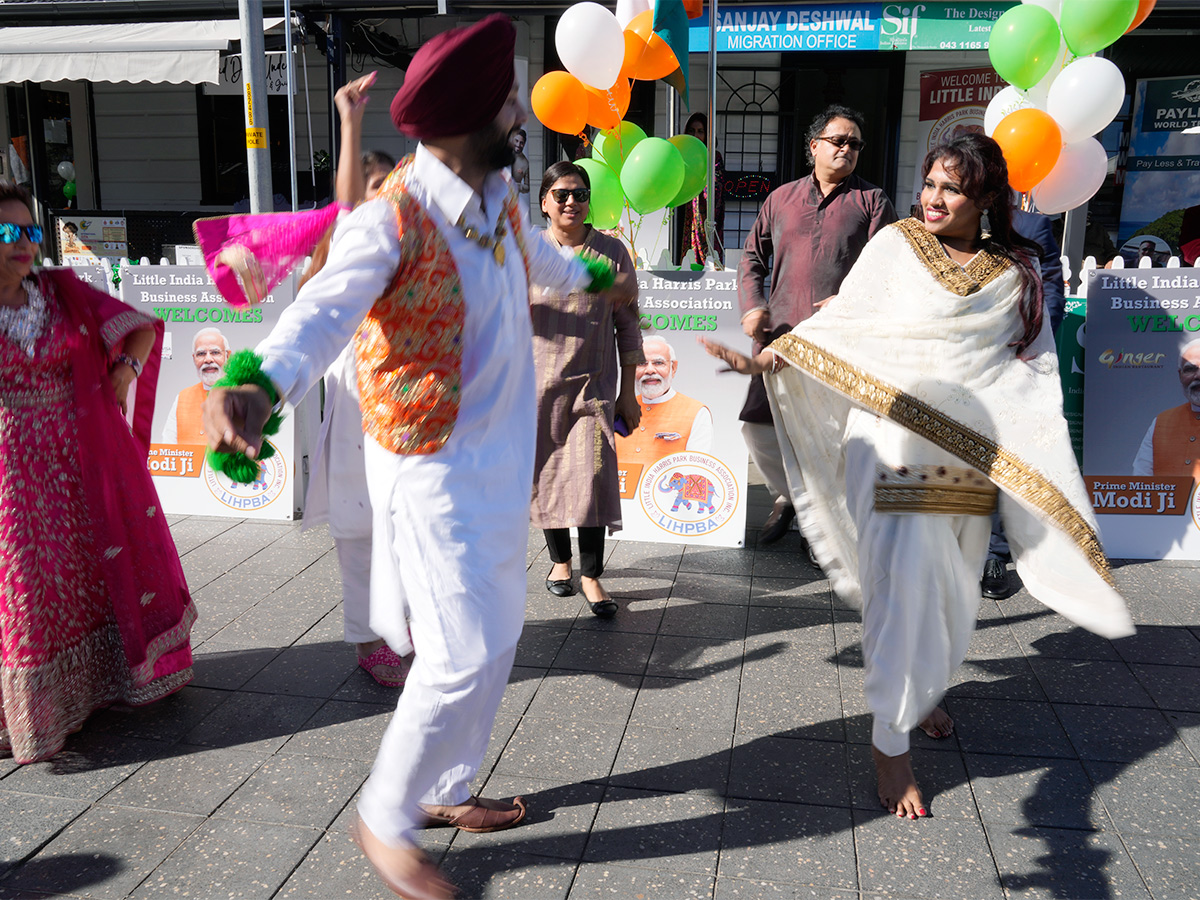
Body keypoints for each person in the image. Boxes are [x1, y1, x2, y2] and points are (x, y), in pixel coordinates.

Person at [202, 15, 636, 899]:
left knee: (498, 636)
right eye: (509, 97)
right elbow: (319, 314)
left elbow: (537, 264)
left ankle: (445, 791)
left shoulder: (501, 202)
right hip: (430, 466)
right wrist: (255, 386)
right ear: (476, 116)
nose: (522, 108)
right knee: (458, 650)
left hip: (499, 461)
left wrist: (591, 277)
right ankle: (385, 816)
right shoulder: (391, 217)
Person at [703, 133, 1132, 821]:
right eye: (930, 182)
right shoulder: (897, 245)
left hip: (963, 452)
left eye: (952, 187)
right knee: (903, 584)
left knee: (945, 587)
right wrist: (765, 361)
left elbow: (1027, 364)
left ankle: (922, 690)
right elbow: (845, 325)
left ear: (987, 197)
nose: (934, 198)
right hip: (891, 441)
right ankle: (890, 745)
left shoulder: (1013, 271)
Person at [0, 182, 195, 764]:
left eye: (31, 231)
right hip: (11, 473)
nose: (24, 244)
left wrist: (127, 371)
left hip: (79, 458)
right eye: (9, 232)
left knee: (87, 567)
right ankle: (37, 710)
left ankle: (97, 689)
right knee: (27, 585)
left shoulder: (60, 293)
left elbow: (140, 325)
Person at [738, 104, 897, 545]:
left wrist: (850, 302)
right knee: (759, 425)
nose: (846, 149)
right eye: (838, 141)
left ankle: (821, 529)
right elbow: (752, 258)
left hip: (839, 339)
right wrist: (752, 306)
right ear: (814, 147)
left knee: (828, 434)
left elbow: (891, 270)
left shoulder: (872, 201)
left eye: (855, 144)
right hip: (780, 334)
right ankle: (789, 497)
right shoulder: (779, 199)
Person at [301, 71, 410, 689]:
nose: (383, 198)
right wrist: (349, 122)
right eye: (375, 188)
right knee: (360, 529)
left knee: (404, 527)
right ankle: (368, 638)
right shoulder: (344, 250)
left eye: (389, 187)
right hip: (354, 418)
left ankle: (401, 625)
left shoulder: (410, 246)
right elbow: (344, 213)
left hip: (405, 417)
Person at [533, 161, 643, 617]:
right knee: (546, 476)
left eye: (579, 193)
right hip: (535, 390)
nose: (571, 202)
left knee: (593, 479)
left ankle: (592, 574)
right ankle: (560, 562)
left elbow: (629, 327)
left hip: (593, 389)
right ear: (545, 202)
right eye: (561, 194)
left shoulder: (612, 253)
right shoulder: (527, 254)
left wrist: (629, 393)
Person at [983, 203, 1067, 599]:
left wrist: (1033, 339)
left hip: (1013, 360)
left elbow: (1050, 282)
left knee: (1004, 457)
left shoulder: (1029, 223)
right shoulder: (931, 222)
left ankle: (993, 553)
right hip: (952, 363)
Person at [616, 334, 712, 468]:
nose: (649, 370)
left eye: (658, 363)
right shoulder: (617, 410)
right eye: (641, 363)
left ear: (673, 368)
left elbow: (695, 471)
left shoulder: (696, 412)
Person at [1132, 339, 1200, 477]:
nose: (1198, 376)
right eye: (1190, 369)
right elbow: (1141, 479)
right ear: (1180, 375)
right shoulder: (1161, 421)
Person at [160, 327, 230, 443]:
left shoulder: (244, 396)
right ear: (194, 359)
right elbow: (168, 448)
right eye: (201, 354)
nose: (208, 359)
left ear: (228, 355)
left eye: (215, 352)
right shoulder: (182, 398)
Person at [675, 112, 724, 267]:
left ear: (707, 134)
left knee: (708, 263)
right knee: (683, 261)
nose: (695, 135)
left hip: (705, 220)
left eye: (700, 131)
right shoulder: (681, 155)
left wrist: (699, 182)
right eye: (691, 131)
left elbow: (717, 186)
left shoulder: (713, 157)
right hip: (683, 216)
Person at [510, 128, 530, 195]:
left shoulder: (525, 163)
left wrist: (516, 185)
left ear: (524, 144)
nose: (518, 145)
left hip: (513, 199)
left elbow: (527, 187)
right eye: (516, 141)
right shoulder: (503, 154)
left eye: (521, 143)